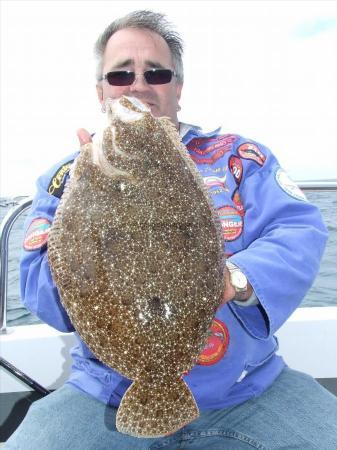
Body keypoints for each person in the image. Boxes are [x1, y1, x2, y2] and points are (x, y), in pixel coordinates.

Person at [5, 9, 337, 450]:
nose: (138, 85)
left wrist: (233, 279)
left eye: (156, 72)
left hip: (247, 388)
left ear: (178, 87)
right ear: (100, 91)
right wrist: (85, 204)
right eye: (121, 75)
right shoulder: (67, 178)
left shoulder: (238, 157)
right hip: (106, 392)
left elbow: (299, 230)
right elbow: (40, 293)